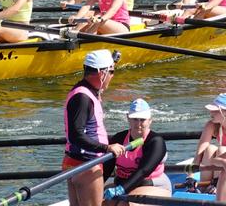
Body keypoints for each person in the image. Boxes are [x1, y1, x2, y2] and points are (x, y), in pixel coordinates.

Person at [64, 49, 124, 206]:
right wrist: (107, 148)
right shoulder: (83, 98)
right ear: (100, 73)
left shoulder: (85, 91)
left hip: (77, 161)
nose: (113, 75)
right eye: (111, 71)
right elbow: (75, 136)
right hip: (86, 164)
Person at [102, 98, 172, 205]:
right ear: (128, 118)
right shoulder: (118, 139)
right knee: (99, 202)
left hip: (152, 185)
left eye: (142, 119)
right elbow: (106, 169)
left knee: (125, 204)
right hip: (124, 184)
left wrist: (121, 190)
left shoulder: (156, 142)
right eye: (135, 119)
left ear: (150, 120)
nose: (138, 124)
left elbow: (144, 171)